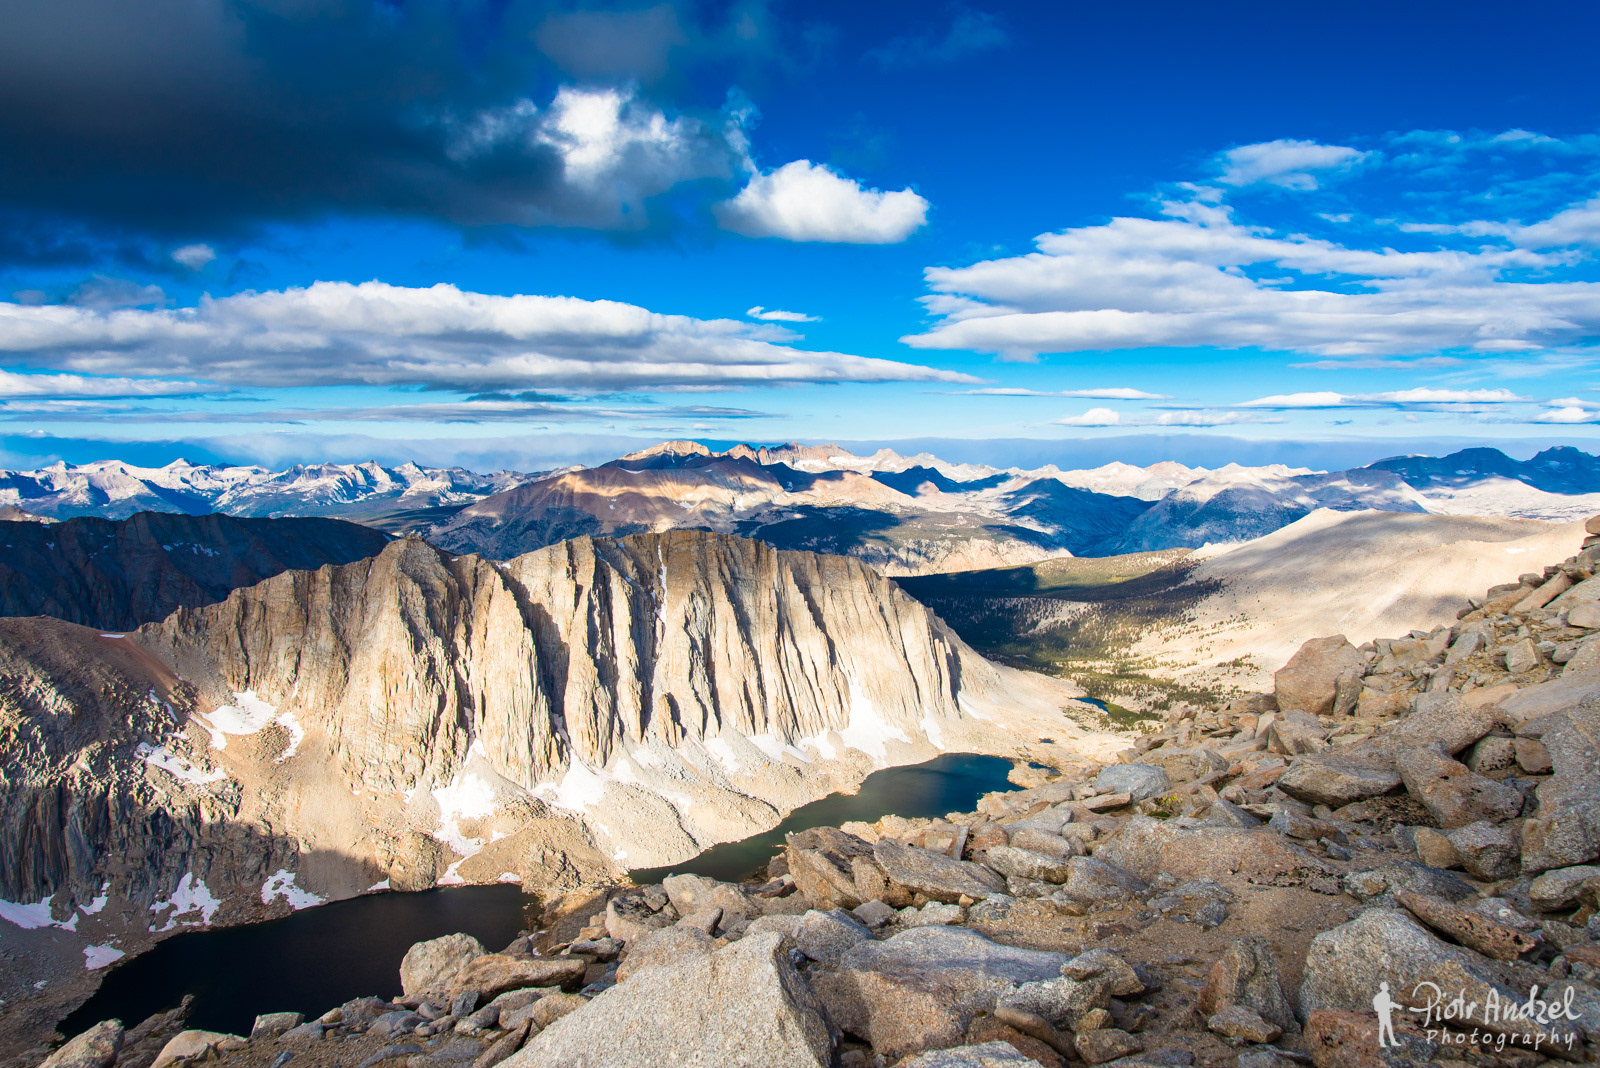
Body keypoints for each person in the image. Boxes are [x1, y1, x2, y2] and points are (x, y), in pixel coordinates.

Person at [1372, 981, 1399, 1047]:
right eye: (1386, 986)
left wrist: (1391, 1006)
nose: (1387, 987)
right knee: (1382, 1027)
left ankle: (1392, 1041)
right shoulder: (1379, 996)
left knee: (1389, 1027)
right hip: (1382, 1013)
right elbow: (1380, 1005)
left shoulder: (1387, 995)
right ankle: (1381, 1042)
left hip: (1387, 1013)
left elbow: (1387, 1004)